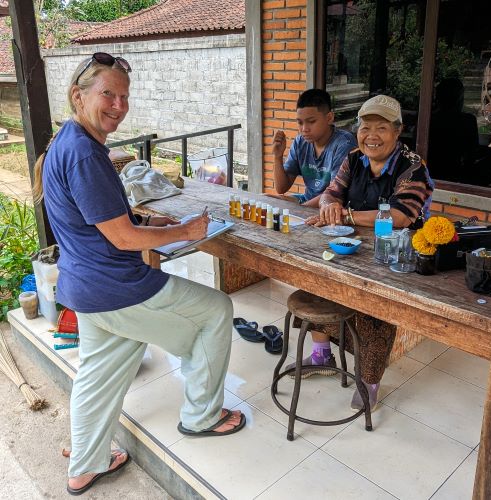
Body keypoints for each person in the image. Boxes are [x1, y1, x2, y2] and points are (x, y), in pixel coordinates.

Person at [32, 52, 245, 496]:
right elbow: (122, 240)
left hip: (84, 286)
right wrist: (185, 229)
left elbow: (105, 219)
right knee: (215, 310)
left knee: (99, 371)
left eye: (124, 96)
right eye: (108, 93)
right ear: (79, 95)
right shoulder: (85, 155)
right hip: (115, 285)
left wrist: (153, 225)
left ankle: (86, 464)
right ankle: (202, 416)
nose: (118, 104)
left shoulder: (69, 142)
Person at [291, 94, 434, 411]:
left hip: (395, 252)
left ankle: (369, 381)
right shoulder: (354, 158)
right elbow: (330, 193)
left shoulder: (413, 168)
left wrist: (347, 216)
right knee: (319, 282)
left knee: (375, 311)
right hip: (352, 246)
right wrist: (331, 206)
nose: (371, 135)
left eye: (381, 128)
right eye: (365, 127)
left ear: (397, 131)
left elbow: (400, 216)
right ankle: (321, 355)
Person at [272, 88, 357, 207]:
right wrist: (277, 156)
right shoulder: (300, 142)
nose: (304, 129)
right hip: (306, 201)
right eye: (300, 123)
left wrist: (300, 210)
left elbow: (334, 194)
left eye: (311, 121)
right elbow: (281, 188)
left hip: (331, 207)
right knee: (265, 200)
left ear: (329, 118)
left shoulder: (343, 144)